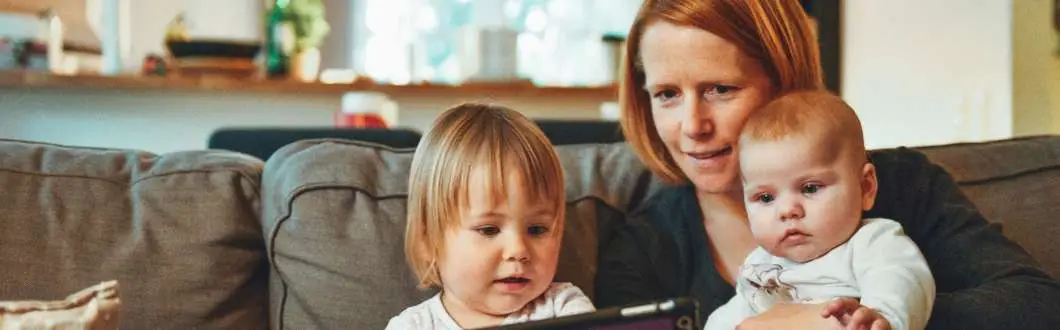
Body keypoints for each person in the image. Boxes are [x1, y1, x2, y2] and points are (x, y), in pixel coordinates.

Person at [594, 0, 1060, 329]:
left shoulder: (905, 188)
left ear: (784, 81)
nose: (693, 125)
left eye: (721, 89)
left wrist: (854, 318)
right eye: (667, 95)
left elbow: (1037, 304)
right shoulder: (642, 249)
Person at [704, 91, 935, 330]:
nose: (787, 210)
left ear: (865, 187)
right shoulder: (761, 264)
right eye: (765, 197)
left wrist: (882, 318)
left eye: (810, 188)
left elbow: (902, 281)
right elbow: (733, 315)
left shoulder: (871, 243)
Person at [387, 103, 595, 329]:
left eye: (536, 229)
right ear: (427, 241)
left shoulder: (564, 309)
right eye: (489, 230)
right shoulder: (412, 326)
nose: (518, 251)